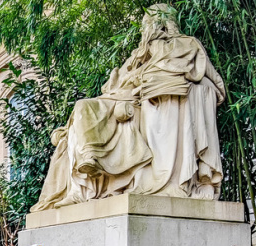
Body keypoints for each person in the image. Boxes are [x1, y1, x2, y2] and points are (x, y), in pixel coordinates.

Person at [31, 4, 226, 212]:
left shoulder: (186, 45)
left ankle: (91, 172)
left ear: (161, 24)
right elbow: (117, 84)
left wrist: (149, 82)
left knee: (94, 110)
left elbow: (215, 85)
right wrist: (118, 82)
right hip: (121, 99)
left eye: (148, 23)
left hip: (145, 102)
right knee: (82, 107)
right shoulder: (137, 54)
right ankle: (84, 177)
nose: (145, 29)